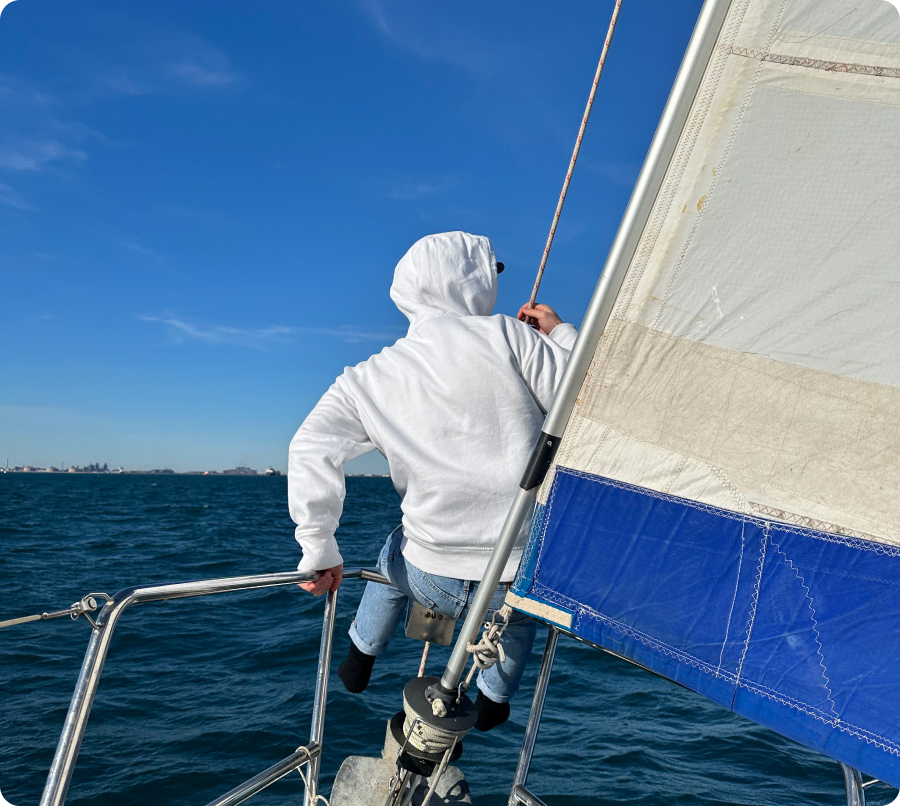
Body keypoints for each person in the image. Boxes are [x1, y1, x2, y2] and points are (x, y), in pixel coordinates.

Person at [288, 231, 576, 731]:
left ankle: (361, 655)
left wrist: (319, 549)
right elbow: (580, 397)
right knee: (518, 622)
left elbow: (310, 447)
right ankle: (492, 702)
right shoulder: (512, 335)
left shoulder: (367, 377)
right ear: (473, 280)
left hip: (431, 576)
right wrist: (558, 334)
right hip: (512, 579)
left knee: (393, 553)